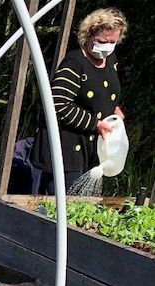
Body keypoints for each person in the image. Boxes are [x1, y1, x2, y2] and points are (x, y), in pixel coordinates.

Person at [30, 8, 126, 194]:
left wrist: (114, 109)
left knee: (84, 206)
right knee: (65, 203)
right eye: (102, 42)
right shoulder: (74, 63)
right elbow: (58, 104)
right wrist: (94, 123)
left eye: (112, 42)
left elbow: (105, 91)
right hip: (67, 150)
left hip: (92, 150)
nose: (107, 47)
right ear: (89, 35)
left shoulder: (111, 59)